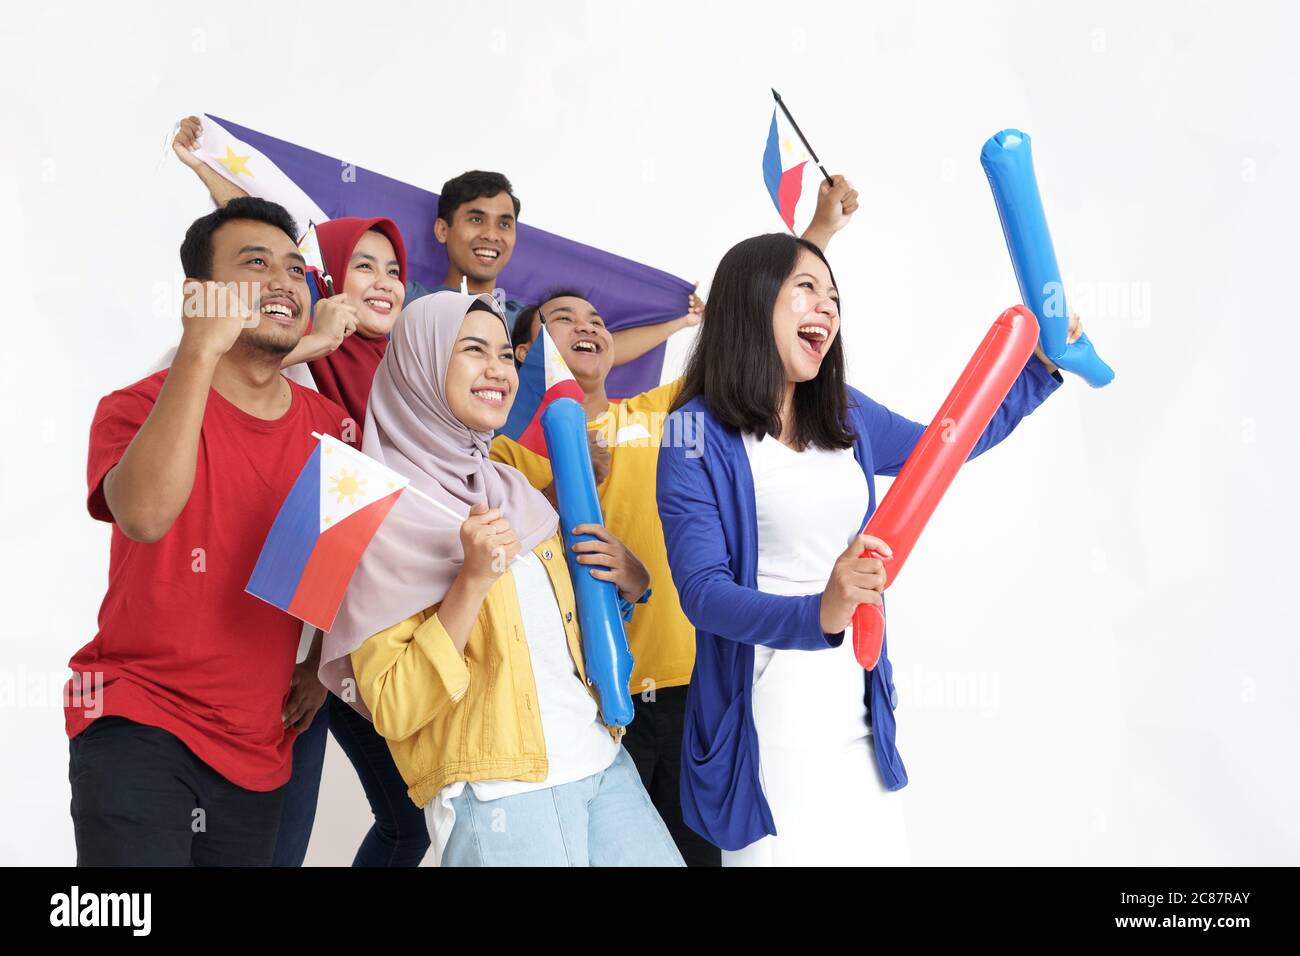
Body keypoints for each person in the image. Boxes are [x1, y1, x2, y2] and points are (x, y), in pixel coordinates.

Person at [656, 231, 1078, 865]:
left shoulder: (844, 413)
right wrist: (820, 612)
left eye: (833, 295)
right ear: (752, 299)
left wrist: (1037, 368)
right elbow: (703, 593)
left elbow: (947, 446)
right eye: (806, 288)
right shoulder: (693, 431)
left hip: (855, 707)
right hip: (764, 725)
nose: (827, 306)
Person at [491, 176, 860, 866]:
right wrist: (562, 487)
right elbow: (501, 565)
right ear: (523, 352)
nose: (589, 327)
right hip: (589, 704)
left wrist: (816, 236)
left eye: (598, 320)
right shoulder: (507, 457)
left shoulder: (667, 418)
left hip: (693, 689)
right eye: (563, 319)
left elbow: (757, 325)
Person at [319, 292, 684, 866]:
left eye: (504, 356)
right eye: (472, 350)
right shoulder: (371, 511)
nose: (498, 370)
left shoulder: (514, 491)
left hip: (602, 761)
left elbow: (555, 641)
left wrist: (628, 589)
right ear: (420, 364)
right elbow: (394, 707)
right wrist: (470, 582)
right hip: (500, 794)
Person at [65, 198, 349, 865]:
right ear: (199, 294)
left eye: (295, 269)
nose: (284, 281)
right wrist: (200, 345)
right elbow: (145, 515)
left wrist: (317, 663)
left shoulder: (334, 430)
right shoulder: (134, 407)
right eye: (256, 263)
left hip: (257, 746)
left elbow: (324, 571)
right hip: (136, 716)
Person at [172, 116, 690, 355]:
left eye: (504, 223)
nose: (491, 235)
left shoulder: (524, 319)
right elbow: (297, 239)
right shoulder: (400, 296)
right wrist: (206, 166)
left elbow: (598, 349)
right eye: (476, 219)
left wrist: (680, 321)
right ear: (443, 229)